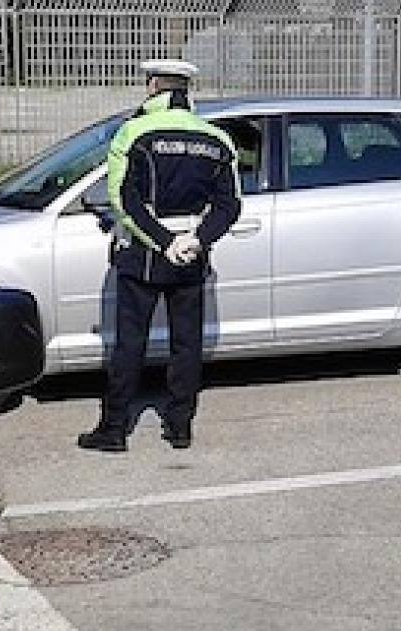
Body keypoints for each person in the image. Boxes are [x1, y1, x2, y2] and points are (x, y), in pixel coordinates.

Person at [77, 59, 242, 453]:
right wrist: (196, 239)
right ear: (186, 90)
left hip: (144, 253)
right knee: (187, 344)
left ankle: (115, 429)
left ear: (153, 86)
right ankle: (181, 425)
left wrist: (162, 240)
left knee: (129, 344)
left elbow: (123, 199)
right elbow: (229, 205)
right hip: (192, 256)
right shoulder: (216, 138)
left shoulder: (133, 132)